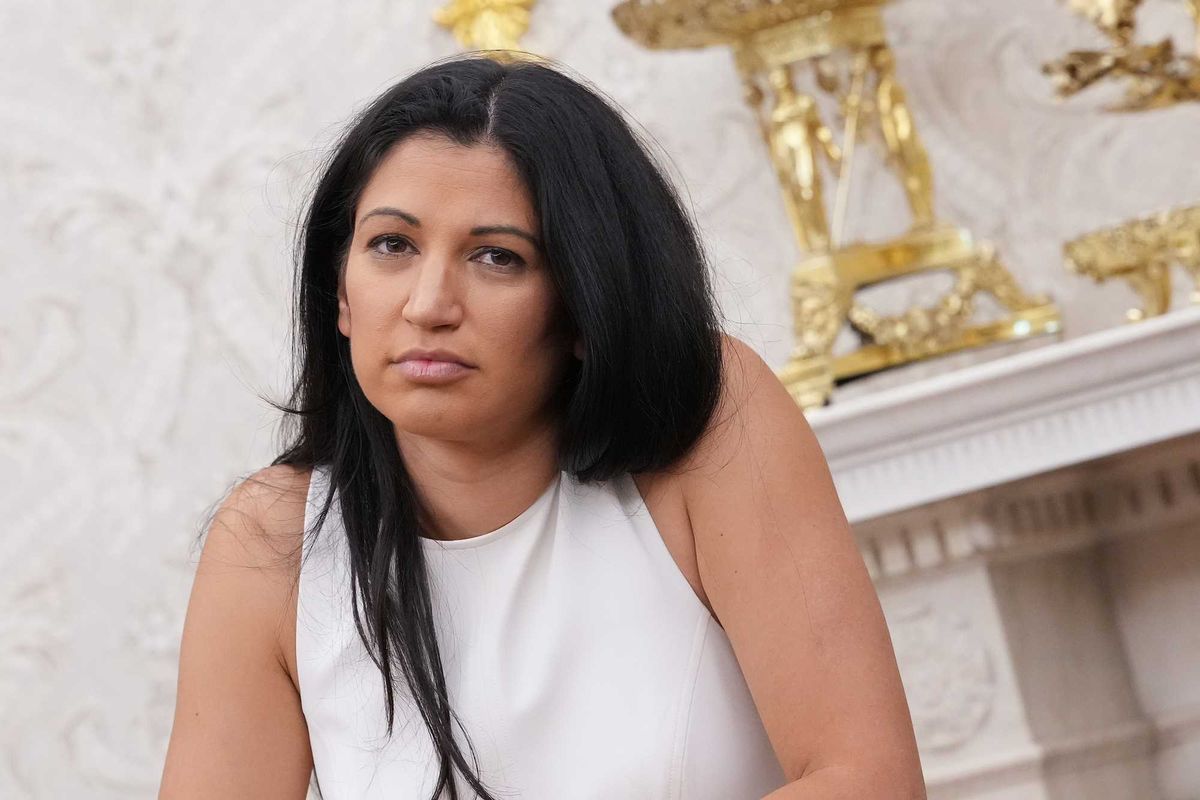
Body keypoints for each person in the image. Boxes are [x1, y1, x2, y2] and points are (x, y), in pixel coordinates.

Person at [158, 53, 925, 800]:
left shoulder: (708, 419)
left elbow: (870, 781)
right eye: (392, 245)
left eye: (497, 257)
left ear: (587, 303)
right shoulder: (274, 542)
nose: (428, 304)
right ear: (341, 295)